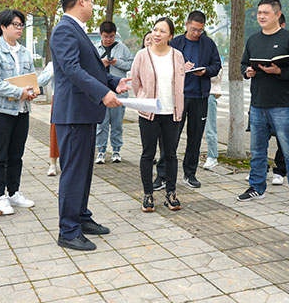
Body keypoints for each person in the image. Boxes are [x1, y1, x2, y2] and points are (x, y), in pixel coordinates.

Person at [50, 0, 130, 251]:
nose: (93, 7)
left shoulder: (77, 30)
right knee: (73, 173)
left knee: (83, 172)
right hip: (73, 113)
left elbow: (90, 69)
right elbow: (72, 69)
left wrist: (113, 82)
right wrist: (103, 93)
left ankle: (81, 218)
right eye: (92, 1)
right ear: (82, 0)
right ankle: (68, 230)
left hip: (84, 113)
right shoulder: (64, 29)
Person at [239, 0, 289, 211]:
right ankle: (256, 187)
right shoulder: (253, 39)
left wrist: (279, 71)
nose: (261, 16)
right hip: (257, 104)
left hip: (282, 105)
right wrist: (247, 71)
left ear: (277, 15)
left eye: (266, 13)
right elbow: (243, 64)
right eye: (259, 12)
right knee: (257, 150)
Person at [0, 9, 51, 216]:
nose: (19, 29)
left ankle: (13, 192)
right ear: (3, 27)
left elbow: (30, 79)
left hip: (21, 111)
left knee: (16, 155)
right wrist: (19, 92)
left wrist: (32, 90)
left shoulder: (24, 52)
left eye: (21, 25)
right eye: (15, 25)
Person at [154, 11, 221, 189]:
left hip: (199, 96)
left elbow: (216, 66)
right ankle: (163, 175)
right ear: (186, 25)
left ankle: (190, 173)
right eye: (193, 29)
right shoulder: (175, 43)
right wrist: (181, 68)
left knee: (195, 137)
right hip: (178, 97)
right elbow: (163, 65)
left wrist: (205, 71)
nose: (196, 33)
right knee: (170, 137)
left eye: (200, 30)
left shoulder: (208, 44)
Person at [131, 17, 184, 212]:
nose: (157, 34)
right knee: (148, 153)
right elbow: (135, 81)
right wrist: (144, 99)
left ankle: (171, 193)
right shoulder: (142, 55)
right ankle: (148, 194)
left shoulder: (177, 55)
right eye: (155, 30)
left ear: (170, 36)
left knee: (170, 154)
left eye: (162, 31)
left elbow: (180, 82)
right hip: (149, 112)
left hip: (172, 112)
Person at [94, 21, 134, 164]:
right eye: (106, 36)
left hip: (119, 93)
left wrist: (117, 62)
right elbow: (90, 67)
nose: (108, 39)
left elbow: (131, 64)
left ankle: (116, 150)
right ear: (100, 35)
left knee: (117, 124)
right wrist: (102, 63)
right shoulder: (95, 49)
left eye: (111, 36)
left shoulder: (122, 48)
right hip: (101, 92)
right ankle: (101, 151)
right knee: (101, 124)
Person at [203, 61, 222, 170]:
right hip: (194, 93)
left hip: (209, 93)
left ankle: (212, 156)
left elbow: (216, 76)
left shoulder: (212, 54)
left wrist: (203, 71)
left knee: (210, 126)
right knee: (194, 128)